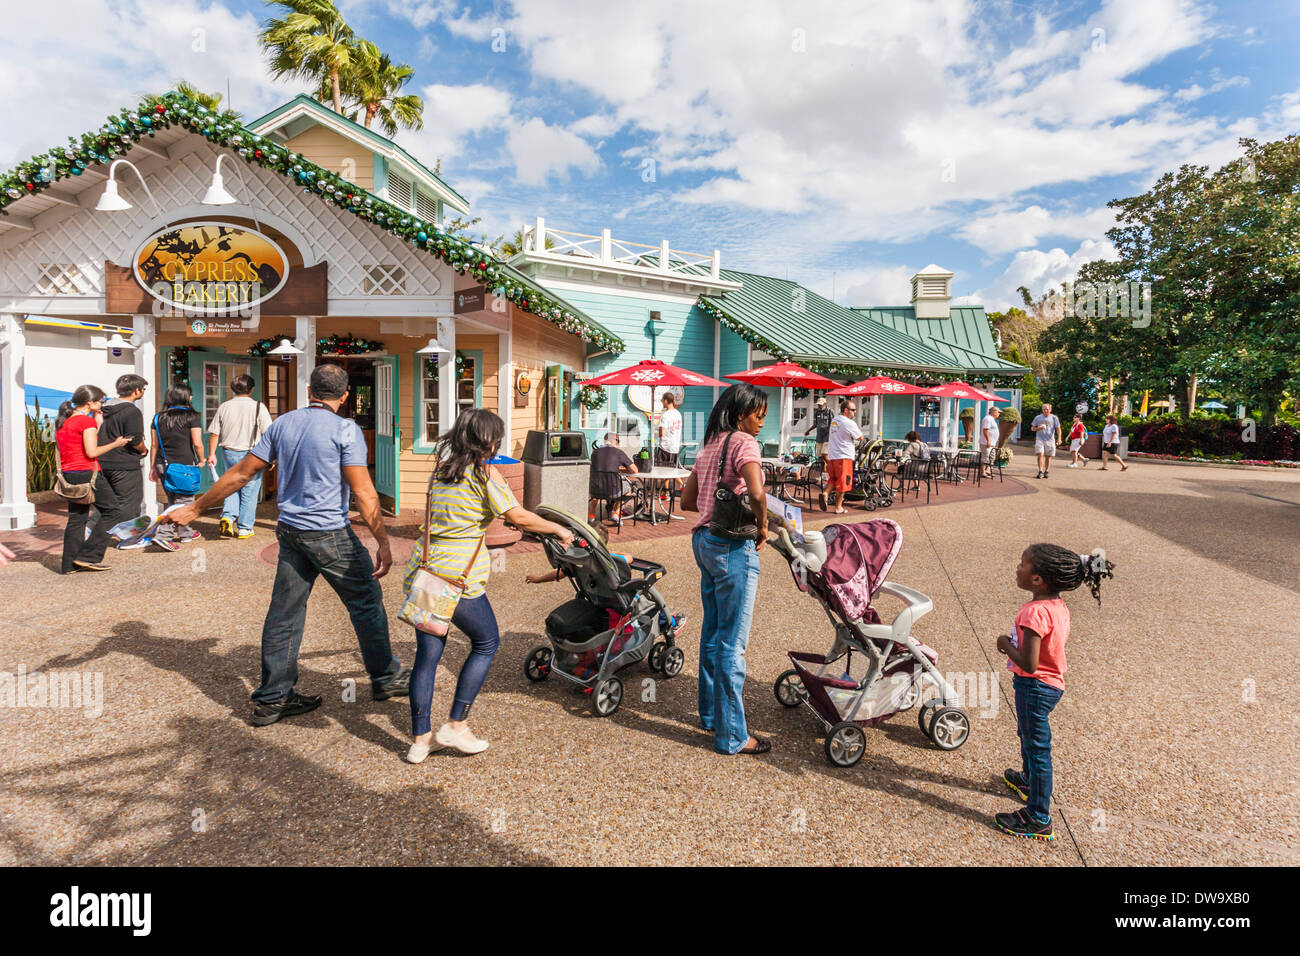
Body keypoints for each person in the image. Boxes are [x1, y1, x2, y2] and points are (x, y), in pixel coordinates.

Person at [164, 364, 411, 727]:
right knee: (366, 603)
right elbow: (363, 492)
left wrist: (195, 508)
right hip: (330, 534)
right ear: (343, 397)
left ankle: (272, 699)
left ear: (309, 390)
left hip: (291, 532)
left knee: (285, 614)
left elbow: (242, 473)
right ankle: (387, 678)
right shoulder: (346, 429)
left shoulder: (282, 424)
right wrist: (382, 543)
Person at [404, 409, 574, 763]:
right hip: (458, 578)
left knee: (428, 657)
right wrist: (558, 529)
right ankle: (455, 725)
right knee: (486, 642)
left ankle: (420, 741)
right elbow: (517, 515)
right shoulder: (484, 473)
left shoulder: (443, 470)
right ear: (488, 440)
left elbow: (463, 514)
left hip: (426, 570)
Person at [994, 544, 1114, 840]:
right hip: (1049, 685)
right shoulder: (1057, 606)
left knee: (1037, 748)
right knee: (1028, 736)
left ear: (1038, 580)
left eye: (1022, 564)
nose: (1017, 568)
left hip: (1034, 686)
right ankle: (1028, 780)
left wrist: (1004, 644)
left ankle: (1038, 816)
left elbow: (1030, 663)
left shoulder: (1033, 613)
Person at [679, 383, 770, 756]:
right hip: (732, 547)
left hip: (703, 542)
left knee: (713, 634)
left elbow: (686, 500)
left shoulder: (710, 445)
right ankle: (732, 735)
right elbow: (758, 493)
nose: (762, 423)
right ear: (739, 414)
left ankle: (712, 715)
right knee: (733, 642)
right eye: (757, 415)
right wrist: (763, 525)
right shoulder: (745, 444)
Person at [55, 385, 130, 573]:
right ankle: (89, 556)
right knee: (112, 510)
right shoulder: (84, 422)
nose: (103, 404)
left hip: (69, 474)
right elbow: (92, 451)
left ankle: (69, 564)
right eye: (100, 401)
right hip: (88, 473)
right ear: (90, 402)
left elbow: (85, 440)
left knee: (77, 518)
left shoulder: (65, 421)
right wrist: (116, 443)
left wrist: (97, 420)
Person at [207, 373, 273, 539]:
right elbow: (268, 433)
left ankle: (227, 517)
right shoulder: (258, 406)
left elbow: (214, 433)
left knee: (231, 486)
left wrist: (211, 454)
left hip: (229, 453)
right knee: (249, 492)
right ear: (251, 389)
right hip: (253, 454)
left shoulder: (224, 406)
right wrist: (271, 457)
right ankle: (244, 528)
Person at [149, 384, 205, 552]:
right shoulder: (192, 416)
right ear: (185, 397)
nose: (191, 398)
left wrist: (152, 467)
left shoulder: (158, 417)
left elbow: (153, 444)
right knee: (185, 502)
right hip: (183, 465)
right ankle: (164, 535)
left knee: (174, 499)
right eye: (190, 395)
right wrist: (202, 459)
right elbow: (197, 442)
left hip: (163, 464)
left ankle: (186, 533)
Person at [96, 374, 149, 543]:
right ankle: (129, 538)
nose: (143, 392)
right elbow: (135, 440)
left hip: (103, 461)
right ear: (136, 391)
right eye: (143, 389)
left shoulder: (102, 409)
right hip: (125, 463)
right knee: (130, 502)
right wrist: (143, 450)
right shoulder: (131, 411)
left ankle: (92, 532)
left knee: (108, 502)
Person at [589, 431, 637, 523]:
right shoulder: (619, 453)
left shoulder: (595, 452)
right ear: (615, 441)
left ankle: (591, 516)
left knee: (594, 494)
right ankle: (615, 513)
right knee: (629, 488)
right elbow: (635, 470)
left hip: (595, 490)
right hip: (613, 491)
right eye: (618, 441)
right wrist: (623, 469)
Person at [826, 400, 863, 514]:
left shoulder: (834, 420)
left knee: (833, 479)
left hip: (832, 455)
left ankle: (825, 493)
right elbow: (860, 437)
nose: (855, 412)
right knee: (843, 483)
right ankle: (838, 507)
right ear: (846, 410)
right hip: (844, 456)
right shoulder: (849, 423)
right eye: (853, 410)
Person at [1029, 403, 1061, 479]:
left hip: (1050, 439)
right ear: (1042, 409)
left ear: (1050, 409)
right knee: (1040, 454)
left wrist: (1059, 438)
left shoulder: (1054, 418)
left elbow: (1058, 428)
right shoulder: (1038, 418)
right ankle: (1040, 471)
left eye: (1047, 409)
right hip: (1040, 439)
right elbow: (1032, 428)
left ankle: (1046, 471)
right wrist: (1038, 428)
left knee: (1048, 456)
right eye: (1044, 409)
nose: (1045, 410)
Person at [804, 395, 833, 465]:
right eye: (818, 405)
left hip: (827, 437)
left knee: (824, 454)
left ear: (825, 404)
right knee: (820, 456)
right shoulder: (817, 412)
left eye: (821, 404)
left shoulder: (830, 411)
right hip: (819, 436)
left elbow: (833, 424)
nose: (819, 406)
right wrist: (808, 431)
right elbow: (816, 424)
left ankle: (832, 468)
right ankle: (823, 472)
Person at [656, 391, 683, 467]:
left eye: (662, 401)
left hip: (665, 447)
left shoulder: (665, 415)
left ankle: (679, 479)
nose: (662, 403)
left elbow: (662, 433)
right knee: (671, 471)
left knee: (662, 472)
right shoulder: (678, 414)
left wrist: (656, 433)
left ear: (665, 401)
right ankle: (679, 479)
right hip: (675, 446)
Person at [979, 406, 1001, 478]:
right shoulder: (988, 419)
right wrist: (988, 440)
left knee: (991, 457)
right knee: (985, 457)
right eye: (998, 412)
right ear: (994, 412)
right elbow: (985, 430)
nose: (999, 414)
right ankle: (982, 472)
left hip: (991, 443)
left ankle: (987, 470)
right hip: (986, 443)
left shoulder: (991, 419)